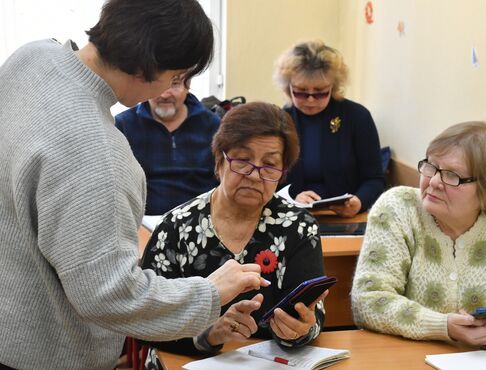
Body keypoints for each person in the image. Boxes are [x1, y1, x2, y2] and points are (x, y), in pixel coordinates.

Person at [0, 1, 267, 369]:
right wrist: (210, 291)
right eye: (175, 77)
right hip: (41, 354)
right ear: (147, 66)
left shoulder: (31, 58)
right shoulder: (99, 154)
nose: (174, 88)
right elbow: (109, 295)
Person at [140, 102, 327, 369]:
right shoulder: (176, 227)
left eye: (270, 165)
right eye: (243, 161)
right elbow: (146, 322)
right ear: (220, 160)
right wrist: (208, 334)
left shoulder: (297, 227)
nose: (254, 175)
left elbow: (313, 315)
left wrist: (300, 331)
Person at [351, 121, 486, 346]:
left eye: (452, 175)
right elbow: (367, 301)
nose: (434, 182)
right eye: (431, 166)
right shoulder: (398, 208)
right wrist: (443, 326)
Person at [273, 40, 385, 217]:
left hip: (346, 219)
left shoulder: (357, 117)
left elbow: (374, 179)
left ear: (333, 88)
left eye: (320, 92)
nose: (310, 100)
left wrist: (359, 201)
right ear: (288, 88)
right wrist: (293, 199)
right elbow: (268, 178)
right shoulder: (278, 121)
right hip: (292, 217)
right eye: (301, 92)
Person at [115, 80, 220, 215]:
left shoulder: (213, 126)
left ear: (187, 86)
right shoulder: (123, 126)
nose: (165, 94)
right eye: (156, 83)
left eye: (174, 84)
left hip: (201, 222)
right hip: (143, 224)